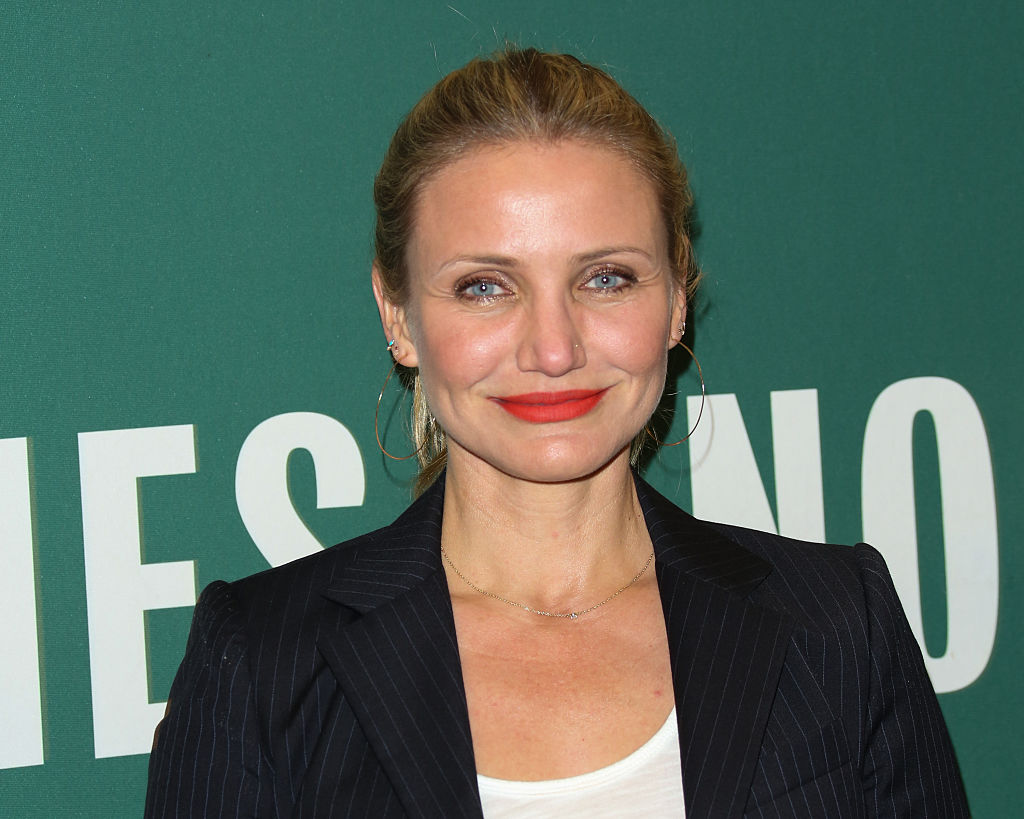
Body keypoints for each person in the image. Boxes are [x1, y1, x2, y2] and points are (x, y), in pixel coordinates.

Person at [145, 48, 969, 818]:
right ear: (398, 313)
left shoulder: (837, 623)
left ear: (678, 294)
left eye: (606, 278)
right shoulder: (263, 663)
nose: (554, 347)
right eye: (484, 287)